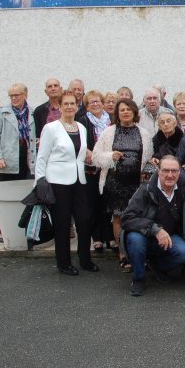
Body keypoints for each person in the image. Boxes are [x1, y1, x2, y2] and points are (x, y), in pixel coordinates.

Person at [35, 91, 94, 275]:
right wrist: (39, 181)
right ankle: (64, 263)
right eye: (66, 104)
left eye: (72, 104)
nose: (69, 107)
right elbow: (42, 157)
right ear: (60, 106)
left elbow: (81, 154)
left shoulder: (81, 127)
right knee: (62, 223)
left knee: (84, 220)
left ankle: (85, 259)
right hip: (57, 181)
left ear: (77, 106)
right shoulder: (51, 128)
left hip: (79, 180)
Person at [92, 98, 153, 269]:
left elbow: (148, 159)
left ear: (134, 112)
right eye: (122, 110)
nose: (125, 112)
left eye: (128, 109)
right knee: (118, 217)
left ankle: (137, 253)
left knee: (138, 217)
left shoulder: (144, 133)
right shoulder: (109, 132)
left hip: (137, 185)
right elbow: (96, 156)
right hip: (115, 183)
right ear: (117, 114)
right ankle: (123, 254)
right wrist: (110, 156)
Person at [122, 156, 185, 296]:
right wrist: (155, 229)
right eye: (166, 170)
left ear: (179, 172)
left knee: (184, 252)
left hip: (170, 236)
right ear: (158, 171)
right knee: (135, 240)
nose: (170, 175)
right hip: (144, 235)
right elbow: (127, 218)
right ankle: (138, 278)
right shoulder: (146, 189)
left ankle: (156, 266)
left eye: (174, 171)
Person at [79, 90, 114, 253]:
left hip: (108, 167)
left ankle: (110, 236)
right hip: (92, 168)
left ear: (103, 103)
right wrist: (88, 152)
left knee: (108, 202)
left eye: (98, 101)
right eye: (91, 102)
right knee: (93, 203)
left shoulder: (111, 120)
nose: (95, 104)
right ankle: (97, 237)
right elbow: (80, 142)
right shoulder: (82, 121)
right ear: (87, 106)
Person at [0, 83, 37, 181]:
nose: (13, 98)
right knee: (7, 188)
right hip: (7, 160)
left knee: (25, 188)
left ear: (25, 95)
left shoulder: (32, 112)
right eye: (11, 96)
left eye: (16, 95)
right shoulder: (2, 112)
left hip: (27, 158)